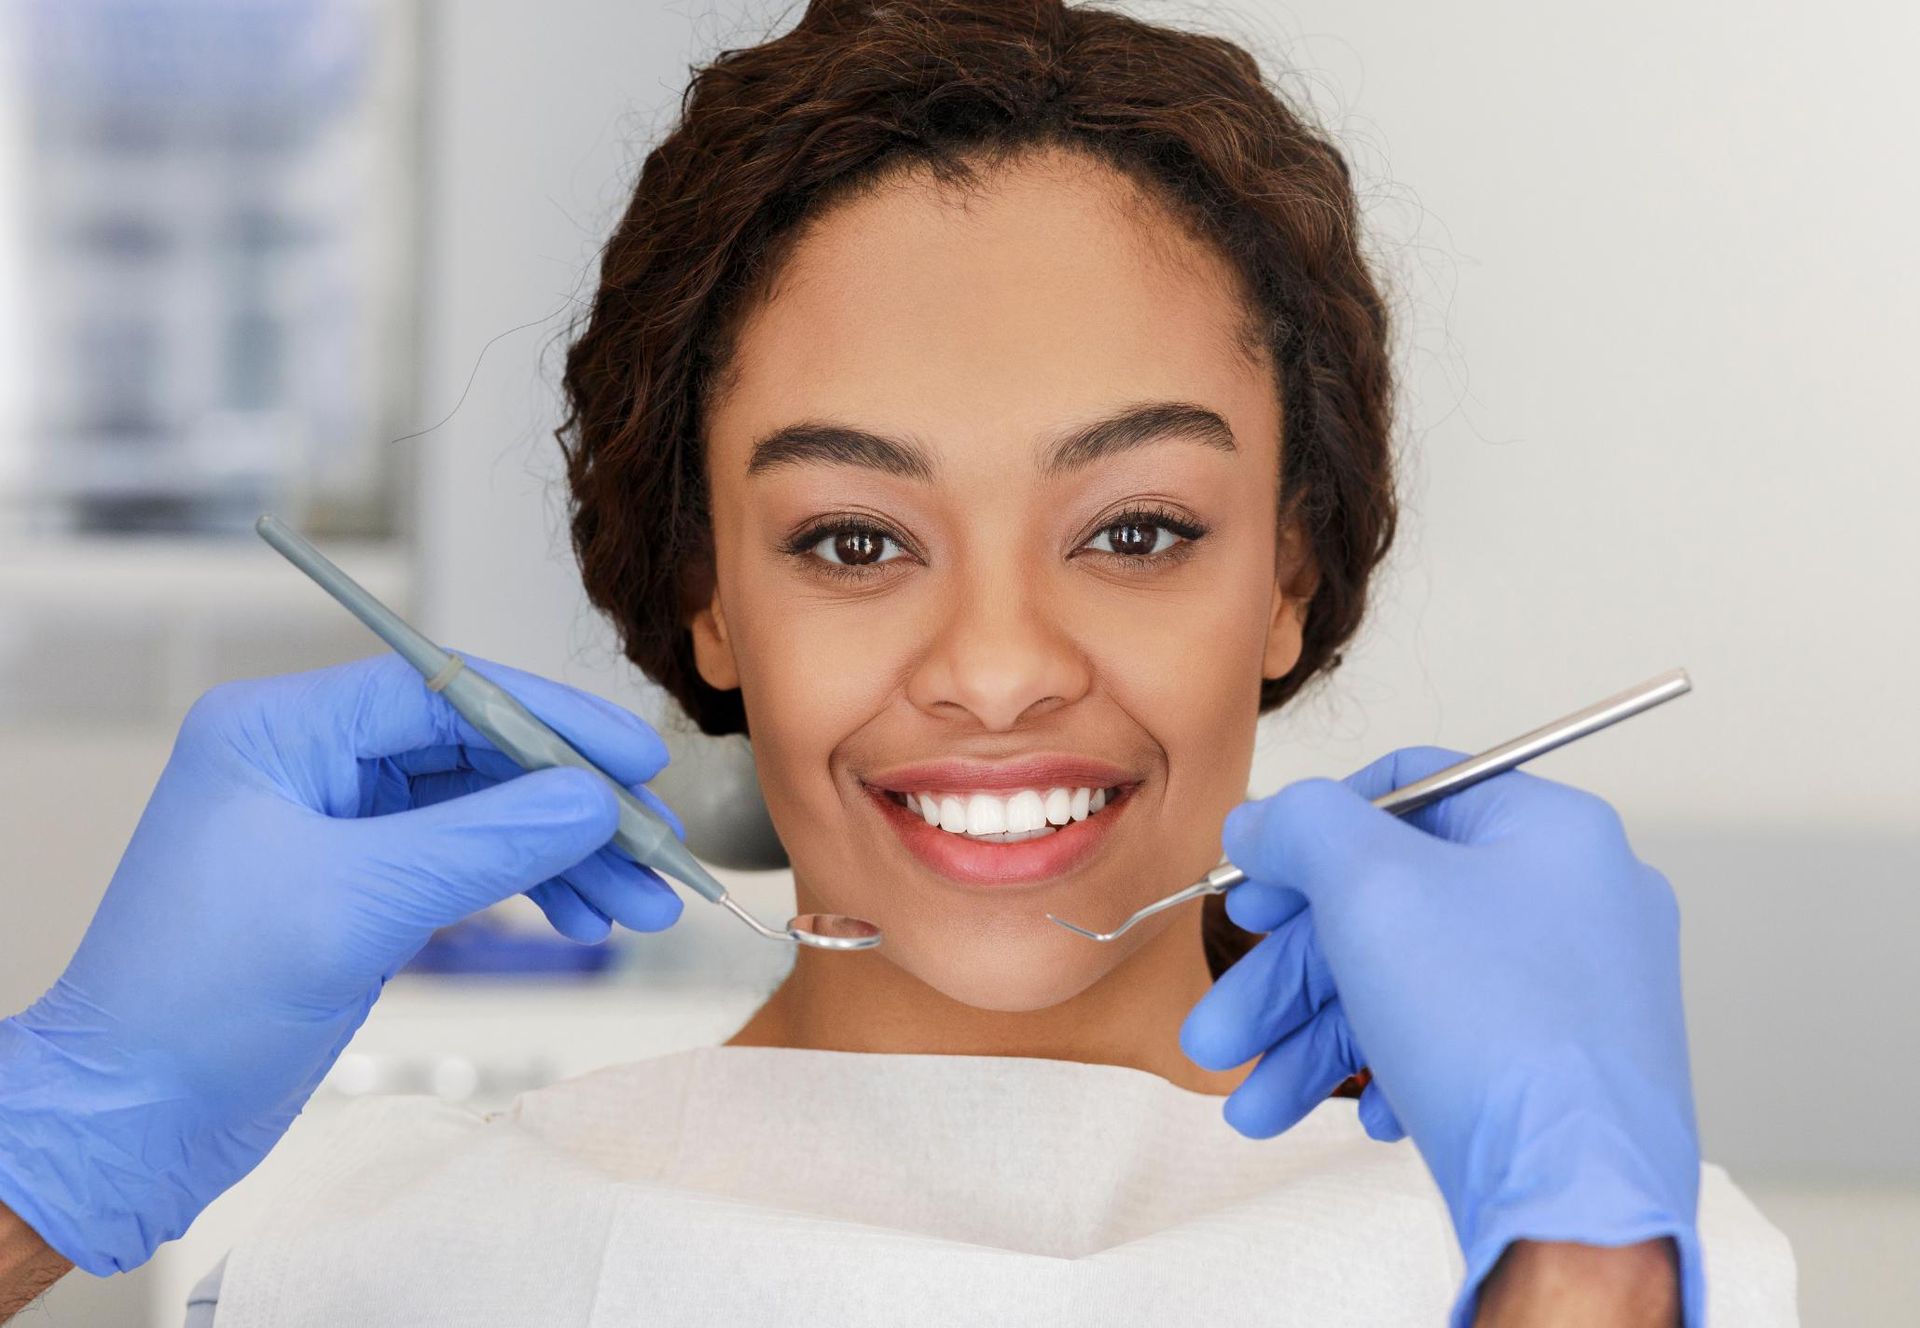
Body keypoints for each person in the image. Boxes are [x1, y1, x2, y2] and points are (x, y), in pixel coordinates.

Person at [1, 0, 1794, 1323]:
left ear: (1287, 576)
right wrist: (40, 1158)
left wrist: (1579, 1255)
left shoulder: (1635, 1259)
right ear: (711, 594)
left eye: (1136, 529)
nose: (999, 667)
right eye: (853, 541)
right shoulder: (366, 1270)